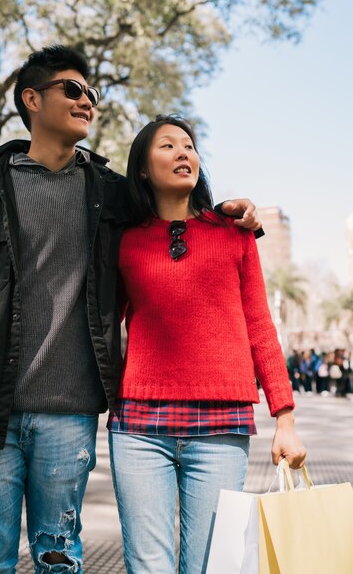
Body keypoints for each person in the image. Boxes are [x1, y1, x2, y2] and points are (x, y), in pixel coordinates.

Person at [0, 46, 260, 573]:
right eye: (73, 89)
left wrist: (228, 211)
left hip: (71, 413)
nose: (87, 99)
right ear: (32, 99)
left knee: (59, 561)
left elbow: (174, 213)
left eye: (92, 92)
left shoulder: (110, 194)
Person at [108, 115, 306, 574]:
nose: (184, 153)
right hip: (139, 426)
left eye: (190, 146)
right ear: (141, 168)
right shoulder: (123, 241)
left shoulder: (234, 233)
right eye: (168, 146)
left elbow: (260, 325)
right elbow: (100, 325)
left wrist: (285, 419)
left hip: (221, 427)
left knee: (206, 566)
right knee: (148, 566)